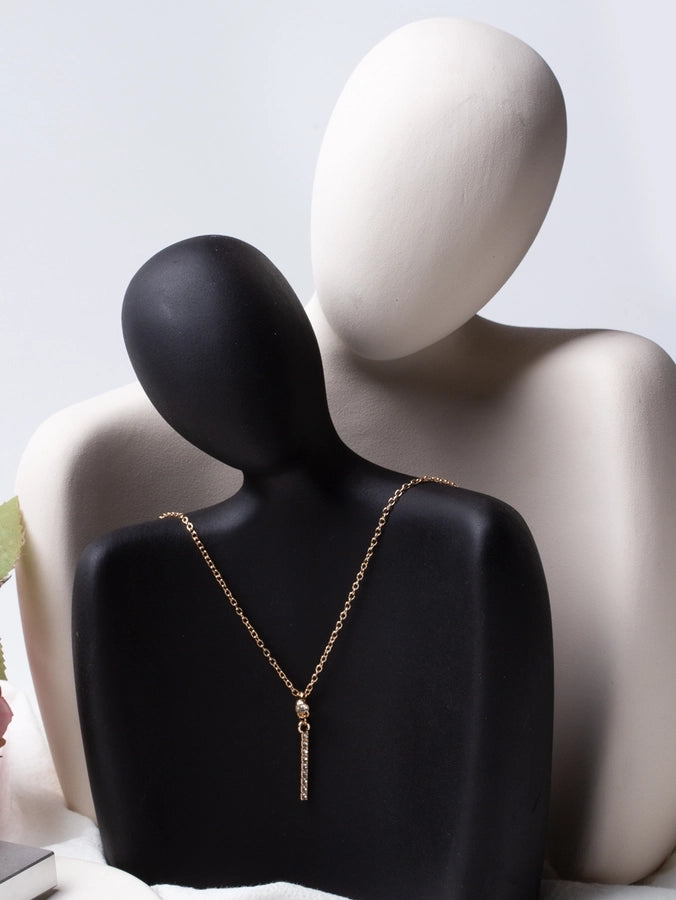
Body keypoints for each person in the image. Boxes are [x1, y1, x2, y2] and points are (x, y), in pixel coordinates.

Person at [306, 17, 676, 883]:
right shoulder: (129, 434)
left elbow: (618, 839)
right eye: (394, 156)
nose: (417, 214)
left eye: (477, 176)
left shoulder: (612, 392)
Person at [72, 234, 552, 899]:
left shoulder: (473, 542)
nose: (229, 385)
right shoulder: (124, 577)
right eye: (183, 371)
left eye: (252, 346)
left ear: (299, 341)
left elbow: (502, 850)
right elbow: (137, 855)